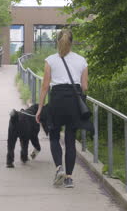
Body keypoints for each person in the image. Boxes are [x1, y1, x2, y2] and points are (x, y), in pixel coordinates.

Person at [35, 29, 88, 188]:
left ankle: (59, 168)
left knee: (54, 136)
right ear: (72, 42)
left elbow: (45, 87)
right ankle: (69, 178)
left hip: (57, 100)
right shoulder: (82, 61)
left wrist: (39, 109)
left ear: (57, 42)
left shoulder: (50, 60)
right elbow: (84, 87)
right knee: (71, 140)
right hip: (73, 101)